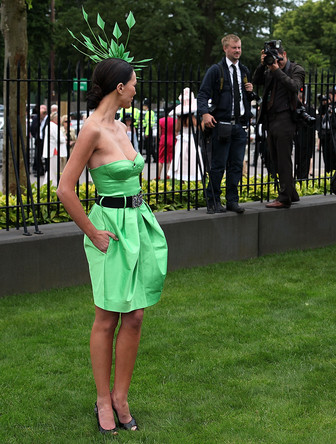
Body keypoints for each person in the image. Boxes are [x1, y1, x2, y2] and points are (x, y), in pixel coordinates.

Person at [56, 58, 168, 434]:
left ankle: (121, 397)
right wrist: (92, 232)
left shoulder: (122, 125)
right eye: (134, 83)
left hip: (136, 224)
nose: (137, 89)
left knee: (135, 316)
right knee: (107, 317)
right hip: (109, 231)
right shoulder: (91, 131)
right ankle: (103, 400)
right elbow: (64, 189)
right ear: (119, 87)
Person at [197, 34, 253, 214]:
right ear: (225, 49)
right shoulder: (216, 70)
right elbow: (203, 94)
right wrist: (205, 113)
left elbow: (245, 97)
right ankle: (212, 201)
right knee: (218, 165)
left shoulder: (243, 71)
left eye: (239, 47)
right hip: (221, 125)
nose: (237, 51)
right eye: (234, 47)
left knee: (236, 165)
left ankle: (232, 201)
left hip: (239, 126)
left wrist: (251, 92)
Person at [253, 40, 305, 209]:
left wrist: (277, 71)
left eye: (279, 59)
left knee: (283, 158)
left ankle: (284, 198)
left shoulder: (296, 69)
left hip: (286, 118)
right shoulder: (269, 69)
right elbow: (256, 80)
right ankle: (291, 192)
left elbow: (294, 87)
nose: (277, 63)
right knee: (274, 159)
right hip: (271, 119)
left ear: (285, 55)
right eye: (273, 60)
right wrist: (263, 65)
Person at [169, 88, 203, 182]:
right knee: (193, 160)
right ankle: (194, 178)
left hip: (181, 140)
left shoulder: (180, 119)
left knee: (181, 161)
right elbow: (200, 128)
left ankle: (182, 179)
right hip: (191, 140)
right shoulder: (192, 119)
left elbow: (176, 130)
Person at [42, 111, 61, 186]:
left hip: (52, 150)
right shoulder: (53, 126)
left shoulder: (50, 125)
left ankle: (48, 182)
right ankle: (53, 183)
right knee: (53, 169)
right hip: (53, 150)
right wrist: (64, 138)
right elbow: (58, 138)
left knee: (50, 168)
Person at [30, 104, 47, 176]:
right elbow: (33, 128)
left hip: (46, 140)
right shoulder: (36, 118)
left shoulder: (48, 119)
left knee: (46, 156)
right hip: (39, 140)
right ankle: (40, 170)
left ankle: (47, 171)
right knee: (37, 156)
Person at [157, 112, 175, 179]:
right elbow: (176, 131)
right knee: (170, 159)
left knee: (161, 158)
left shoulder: (160, 120)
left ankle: (158, 175)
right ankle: (168, 175)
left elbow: (159, 132)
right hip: (172, 139)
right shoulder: (174, 120)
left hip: (163, 139)